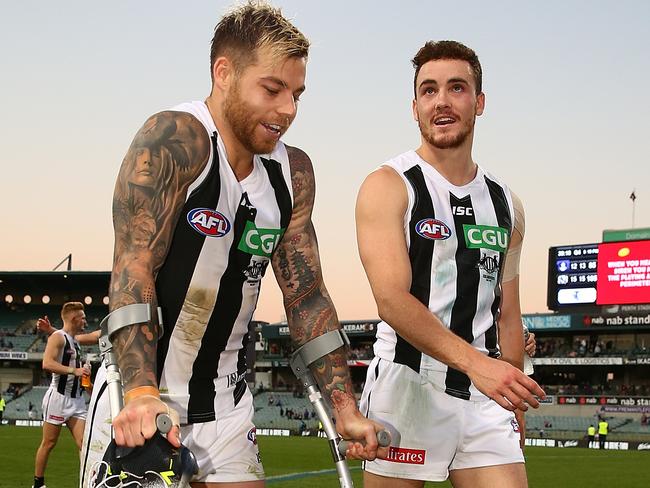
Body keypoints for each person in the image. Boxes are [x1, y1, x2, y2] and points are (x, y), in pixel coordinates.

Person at [80, 3, 385, 487]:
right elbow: (132, 268)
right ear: (224, 73)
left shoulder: (293, 174)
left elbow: (306, 298)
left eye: (297, 94)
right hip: (143, 398)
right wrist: (140, 393)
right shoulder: (175, 139)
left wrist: (345, 408)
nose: (288, 109)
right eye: (272, 88)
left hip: (228, 403)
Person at [355, 40, 546, 487]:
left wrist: (513, 398)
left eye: (456, 88)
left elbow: (509, 314)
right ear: (415, 106)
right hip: (407, 387)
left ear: (478, 103)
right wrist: (478, 365)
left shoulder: (506, 204)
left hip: (485, 397)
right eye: (428, 90)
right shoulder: (388, 185)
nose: (441, 100)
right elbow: (391, 301)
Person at [32, 302, 92, 488]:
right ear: (74, 319)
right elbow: (47, 364)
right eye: (82, 317)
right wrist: (74, 371)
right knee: (49, 443)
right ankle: (38, 483)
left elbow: (64, 335)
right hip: (58, 398)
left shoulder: (73, 340)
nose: (85, 321)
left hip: (77, 401)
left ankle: (88, 482)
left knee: (85, 444)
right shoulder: (57, 338)